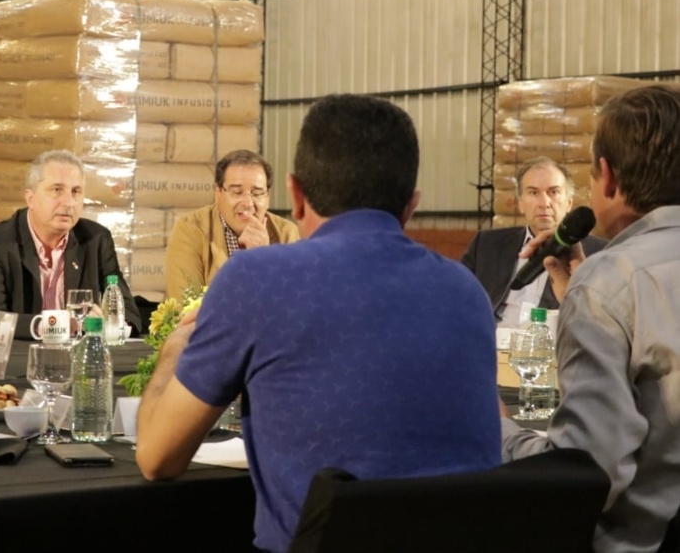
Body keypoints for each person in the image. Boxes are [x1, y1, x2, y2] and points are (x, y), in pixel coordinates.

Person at [136, 93, 502, 553]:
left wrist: (175, 348)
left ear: (294, 196)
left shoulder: (254, 280)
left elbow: (156, 459)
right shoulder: (467, 292)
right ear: (411, 205)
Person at [500, 84, 680, 553]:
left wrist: (499, 432)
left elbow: (587, 474)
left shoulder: (610, 281)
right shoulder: (603, 283)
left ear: (608, 178)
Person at [0, 149, 141, 339]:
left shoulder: (96, 240)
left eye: (76, 192)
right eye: (57, 190)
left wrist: (109, 325)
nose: (69, 202)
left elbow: (129, 313)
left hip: (79, 354)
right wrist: (54, 326)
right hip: (19, 355)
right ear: (30, 198)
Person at [461, 156, 605, 327]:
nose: (544, 203)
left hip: (551, 340)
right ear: (521, 204)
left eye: (554, 192)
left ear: (569, 203)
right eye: (533, 193)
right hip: (491, 339)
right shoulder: (486, 244)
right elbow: (457, 298)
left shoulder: (600, 253)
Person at [165, 149, 299, 300]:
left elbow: (295, 304)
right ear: (218, 193)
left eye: (256, 193)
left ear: (268, 196)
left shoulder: (287, 234)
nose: (248, 203)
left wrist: (263, 258)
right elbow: (186, 306)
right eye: (236, 192)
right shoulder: (190, 230)